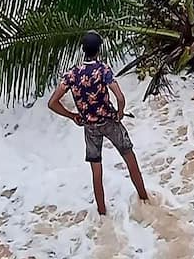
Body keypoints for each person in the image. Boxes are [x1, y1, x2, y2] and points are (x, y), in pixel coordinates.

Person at [48, 31, 149, 215]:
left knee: (96, 169)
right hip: (109, 121)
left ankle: (102, 212)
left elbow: (52, 103)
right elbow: (120, 97)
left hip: (89, 126)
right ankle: (144, 198)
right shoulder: (103, 70)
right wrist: (119, 114)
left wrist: (72, 116)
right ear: (99, 49)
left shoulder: (72, 74)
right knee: (129, 156)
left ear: (83, 50)